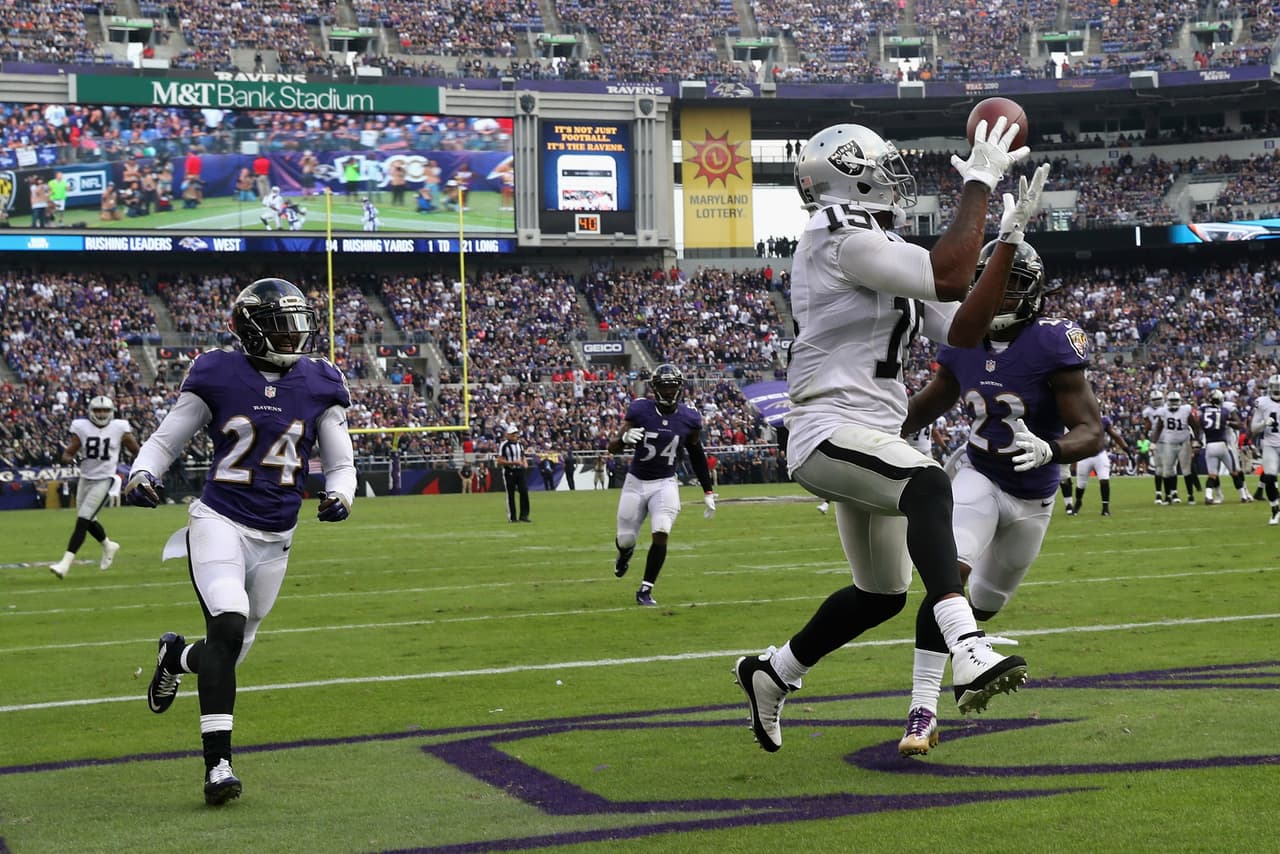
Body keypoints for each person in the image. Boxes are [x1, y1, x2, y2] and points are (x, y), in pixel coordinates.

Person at [733, 119, 1045, 753]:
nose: (895, 176)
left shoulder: (875, 239)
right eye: (882, 165)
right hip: (828, 426)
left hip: (871, 433)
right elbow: (951, 276)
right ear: (850, 171)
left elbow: (963, 330)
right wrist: (980, 183)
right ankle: (966, 643)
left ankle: (773, 671)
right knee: (930, 486)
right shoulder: (834, 234)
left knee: (881, 594)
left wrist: (1007, 244)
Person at [124, 277, 355, 806]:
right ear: (249, 329)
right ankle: (217, 766)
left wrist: (342, 495)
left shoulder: (320, 381)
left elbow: (341, 462)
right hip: (219, 520)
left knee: (228, 651)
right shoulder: (217, 371)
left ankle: (176, 659)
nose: (293, 336)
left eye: (297, 324)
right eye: (279, 325)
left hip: (278, 535)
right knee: (226, 621)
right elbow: (166, 438)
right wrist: (142, 474)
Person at [896, 239, 1106, 755]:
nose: (1003, 294)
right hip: (979, 475)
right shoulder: (962, 340)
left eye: (1015, 284)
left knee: (984, 605)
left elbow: (1092, 431)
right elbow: (926, 404)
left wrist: (1052, 449)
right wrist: (868, 436)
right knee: (949, 577)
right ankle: (922, 709)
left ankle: (971, 655)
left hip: (1034, 496)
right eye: (996, 281)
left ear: (1033, 293)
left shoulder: (1052, 342)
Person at [607, 363, 716, 607]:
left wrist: (708, 490)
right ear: (655, 388)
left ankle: (646, 589)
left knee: (662, 531)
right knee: (625, 539)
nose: (668, 391)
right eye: (664, 386)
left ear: (679, 388)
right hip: (635, 482)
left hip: (665, 483)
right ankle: (625, 554)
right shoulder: (639, 410)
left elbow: (696, 453)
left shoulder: (689, 417)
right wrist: (623, 439)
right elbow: (611, 448)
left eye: (672, 386)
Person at [49, 395, 139, 578]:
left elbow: (136, 450)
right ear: (91, 412)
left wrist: (145, 468)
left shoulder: (120, 428)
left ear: (111, 412)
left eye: (105, 410)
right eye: (98, 410)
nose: (101, 413)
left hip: (106, 479)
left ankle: (64, 564)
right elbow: (68, 452)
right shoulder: (81, 427)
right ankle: (108, 545)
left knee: (83, 520)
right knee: (87, 519)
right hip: (85, 478)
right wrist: (68, 459)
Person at [1069, 412, 1130, 516]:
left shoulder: (1103, 420)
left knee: (1104, 480)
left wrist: (1126, 448)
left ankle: (1105, 508)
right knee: (1080, 485)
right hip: (1084, 455)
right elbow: (1075, 440)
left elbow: (1114, 435)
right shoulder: (1080, 419)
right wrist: (1073, 461)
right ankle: (1078, 503)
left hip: (1099, 454)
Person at [1201, 388, 1252, 504]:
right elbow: (1240, 424)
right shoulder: (1222, 409)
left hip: (1223, 440)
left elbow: (1238, 424)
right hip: (1221, 441)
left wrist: (1226, 422)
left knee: (1232, 470)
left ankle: (1245, 492)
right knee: (1228, 471)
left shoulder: (1209, 409)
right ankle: (1221, 495)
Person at [1152, 390, 1202, 505]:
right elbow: (1159, 428)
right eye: (1172, 401)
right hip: (1169, 444)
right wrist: (1154, 442)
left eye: (1175, 401)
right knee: (1167, 471)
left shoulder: (1185, 410)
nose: (1174, 403)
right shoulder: (1163, 411)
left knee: (1186, 471)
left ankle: (1190, 496)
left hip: (1184, 443)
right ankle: (1168, 496)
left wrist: (1195, 440)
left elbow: (1195, 426)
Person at [1248, 374, 1280, 525]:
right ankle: (1275, 510)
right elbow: (1253, 428)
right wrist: (1264, 423)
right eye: (1275, 387)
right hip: (1270, 443)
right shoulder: (1263, 402)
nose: (1277, 390)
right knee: (1269, 477)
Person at [498, 425, 531, 522]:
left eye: (515, 434)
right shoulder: (504, 445)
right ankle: (512, 517)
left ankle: (524, 516)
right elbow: (499, 461)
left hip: (520, 470)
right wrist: (513, 463)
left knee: (524, 492)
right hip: (509, 471)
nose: (514, 436)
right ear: (508, 435)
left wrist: (524, 462)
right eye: (512, 434)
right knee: (510, 494)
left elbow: (522, 455)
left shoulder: (519, 445)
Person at [1143, 389, 1166, 503]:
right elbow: (1147, 427)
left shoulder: (1167, 408)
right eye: (1155, 400)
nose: (1157, 402)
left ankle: (1171, 493)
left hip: (1168, 440)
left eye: (1158, 399)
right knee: (1159, 469)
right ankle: (1158, 493)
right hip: (1157, 441)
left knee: (1169, 468)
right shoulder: (1148, 411)